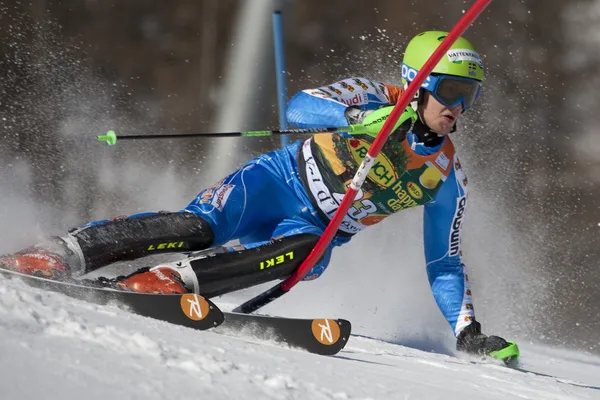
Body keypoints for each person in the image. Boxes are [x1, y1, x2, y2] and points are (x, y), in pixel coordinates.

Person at [0, 31, 511, 356]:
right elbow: (301, 108)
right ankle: (61, 252)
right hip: (276, 182)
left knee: (311, 257)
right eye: (451, 92)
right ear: (416, 83)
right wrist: (364, 121)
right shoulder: (368, 94)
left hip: (312, 227)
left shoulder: (445, 176)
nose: (458, 108)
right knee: (200, 226)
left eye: (470, 98)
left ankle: (171, 281)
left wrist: (466, 332)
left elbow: (444, 261)